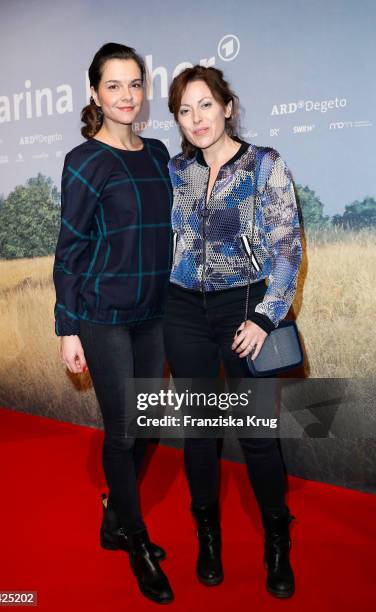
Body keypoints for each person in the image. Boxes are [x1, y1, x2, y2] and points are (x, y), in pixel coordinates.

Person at [164, 65, 302, 598]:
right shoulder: (176, 171)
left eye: (204, 105)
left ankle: (276, 539)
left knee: (258, 437)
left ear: (227, 106)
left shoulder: (264, 164)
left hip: (246, 312)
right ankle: (208, 537)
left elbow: (288, 247)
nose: (196, 118)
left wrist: (266, 317)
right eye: (183, 110)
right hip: (182, 313)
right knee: (199, 434)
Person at [53, 43, 174, 604]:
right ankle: (137, 540)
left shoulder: (156, 153)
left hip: (154, 314)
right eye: (113, 86)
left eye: (134, 85)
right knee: (123, 430)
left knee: (147, 426)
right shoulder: (85, 161)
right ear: (95, 93)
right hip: (103, 316)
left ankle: (113, 514)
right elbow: (70, 252)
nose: (126, 96)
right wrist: (68, 328)